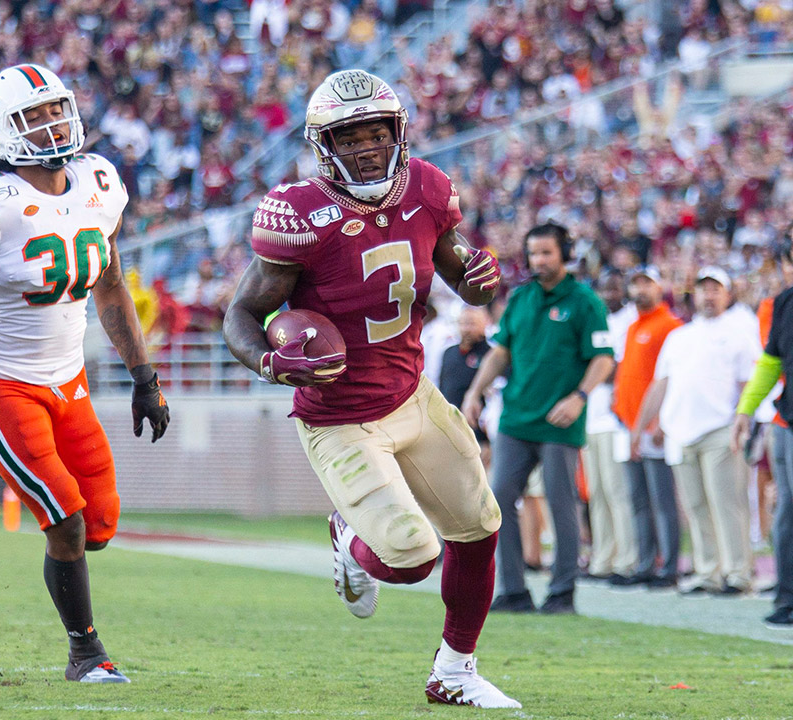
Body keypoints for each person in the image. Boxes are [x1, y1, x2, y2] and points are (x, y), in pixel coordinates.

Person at [223, 70, 517, 708]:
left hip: (413, 394)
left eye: (377, 132)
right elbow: (240, 315)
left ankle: (455, 672)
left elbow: (458, 265)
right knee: (412, 555)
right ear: (324, 144)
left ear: (397, 133)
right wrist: (271, 365)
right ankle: (351, 544)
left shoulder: (430, 189)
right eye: (349, 136)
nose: (365, 146)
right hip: (340, 417)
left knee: (478, 525)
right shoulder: (299, 213)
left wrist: (479, 279)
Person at [0, 63, 170, 684]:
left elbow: (109, 288)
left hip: (68, 380)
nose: (51, 124)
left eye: (56, 110)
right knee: (65, 517)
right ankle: (87, 653)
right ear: (2, 130)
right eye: (33, 117)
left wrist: (144, 378)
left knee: (101, 524)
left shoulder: (99, 182)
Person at [463, 223, 615, 615]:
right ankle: (513, 590)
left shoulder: (584, 302)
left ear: (565, 254)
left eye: (547, 252)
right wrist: (475, 391)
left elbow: (603, 358)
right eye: (533, 253)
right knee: (497, 500)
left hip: (560, 421)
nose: (539, 260)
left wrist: (580, 397)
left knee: (560, 503)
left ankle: (562, 592)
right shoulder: (520, 298)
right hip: (516, 417)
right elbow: (500, 352)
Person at [635, 267, 758, 595]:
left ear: (728, 294)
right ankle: (709, 572)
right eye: (704, 289)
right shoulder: (680, 336)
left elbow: (748, 383)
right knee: (697, 506)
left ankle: (738, 572)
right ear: (695, 295)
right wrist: (643, 425)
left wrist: (744, 421)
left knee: (727, 504)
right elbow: (661, 383)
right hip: (682, 431)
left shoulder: (739, 333)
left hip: (721, 428)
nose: (709, 295)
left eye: (716, 289)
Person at [612, 266, 682, 590]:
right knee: (638, 499)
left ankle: (668, 566)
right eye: (635, 283)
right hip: (628, 424)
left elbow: (671, 378)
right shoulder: (632, 326)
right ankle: (644, 563)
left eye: (647, 283)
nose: (640, 289)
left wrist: (661, 420)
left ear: (661, 287)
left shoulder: (670, 326)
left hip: (653, 425)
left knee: (661, 498)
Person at [734, 240, 793, 625]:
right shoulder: (784, 303)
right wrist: (745, 410)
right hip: (785, 421)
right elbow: (771, 361)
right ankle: (786, 597)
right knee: (786, 510)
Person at [583, 271, 638, 582]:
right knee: (598, 492)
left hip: (616, 418)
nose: (609, 293)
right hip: (591, 415)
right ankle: (602, 558)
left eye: (615, 287)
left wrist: (594, 368)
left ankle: (626, 560)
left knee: (619, 492)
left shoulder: (629, 322)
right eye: (603, 288)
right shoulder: (597, 319)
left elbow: (616, 368)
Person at [438, 306, 492, 465]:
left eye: (471, 324)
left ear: (484, 324)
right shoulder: (449, 353)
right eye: (462, 323)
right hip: (450, 430)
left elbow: (494, 399)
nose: (466, 329)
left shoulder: (491, 356)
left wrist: (487, 440)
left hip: (478, 434)